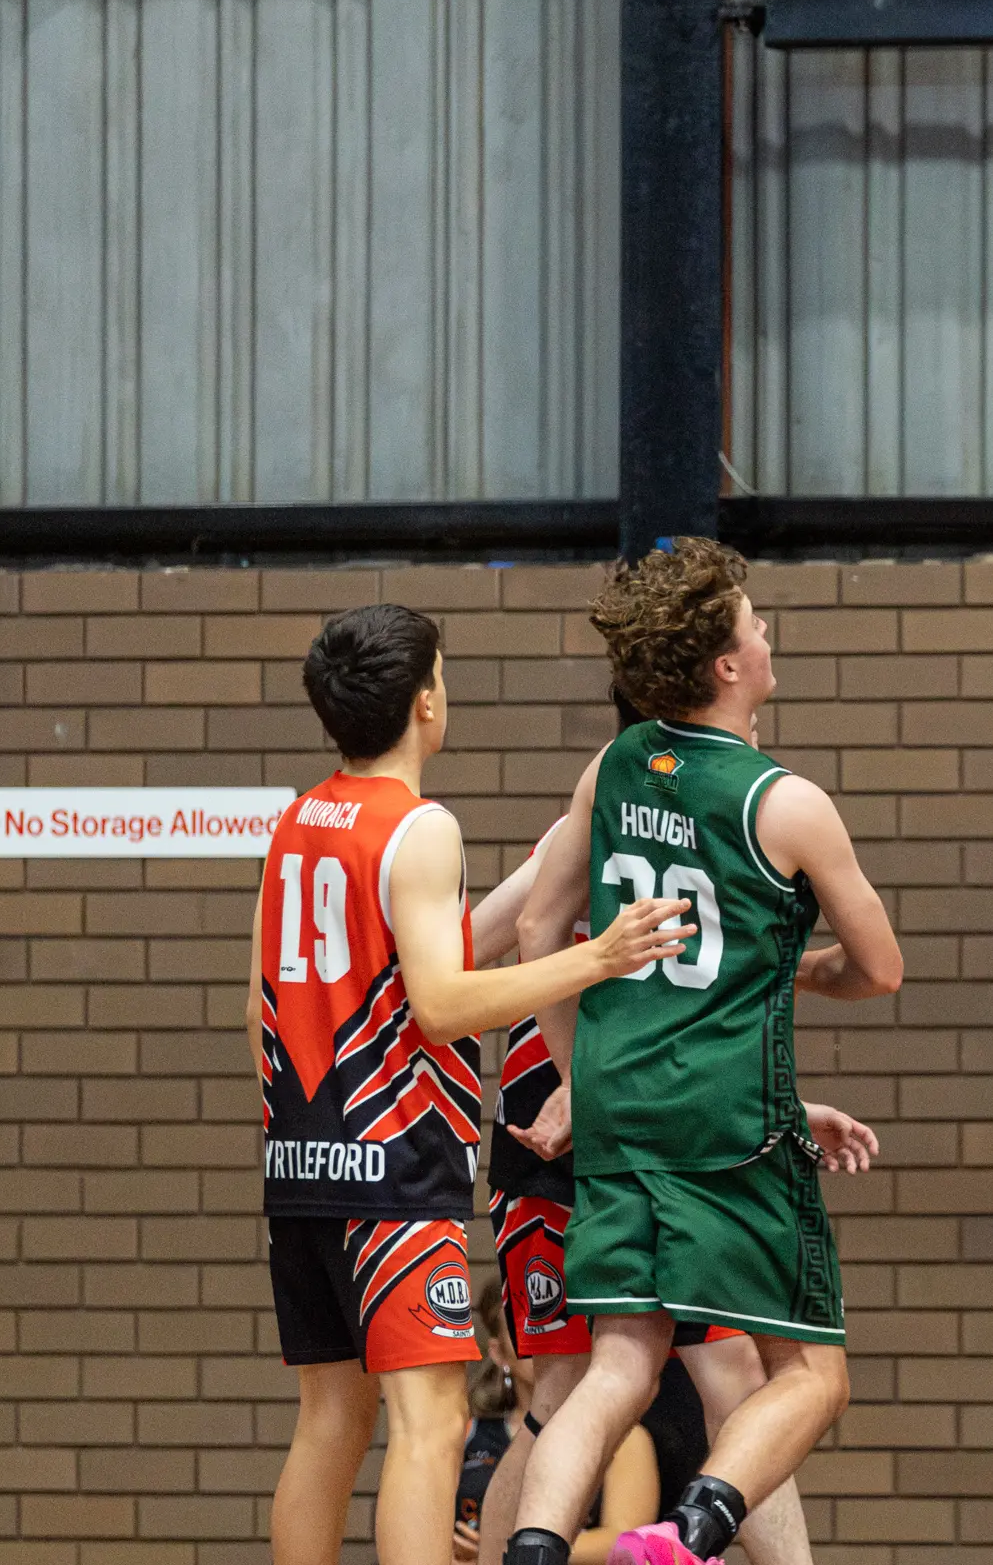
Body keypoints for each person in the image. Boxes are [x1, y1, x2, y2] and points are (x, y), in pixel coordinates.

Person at [260, 604, 694, 1565]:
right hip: (393, 1169)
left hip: (300, 1158)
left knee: (329, 1420)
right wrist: (599, 959)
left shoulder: (295, 823)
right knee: (433, 1425)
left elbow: (299, 994)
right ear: (425, 703)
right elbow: (444, 1004)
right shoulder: (419, 827)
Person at [504, 541, 907, 1565]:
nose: (767, 636)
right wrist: (805, 974)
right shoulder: (788, 805)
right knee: (813, 1378)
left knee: (619, 1369)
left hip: (621, 1115)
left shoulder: (614, 766)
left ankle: (533, 1553)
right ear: (728, 666)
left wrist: (577, 1071)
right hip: (731, 1127)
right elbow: (881, 969)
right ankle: (690, 1533)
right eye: (755, 624)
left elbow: (536, 932)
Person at [477, 819, 876, 1565]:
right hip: (565, 1128)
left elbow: (707, 1013)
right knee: (570, 1386)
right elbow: (472, 952)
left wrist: (782, 1111)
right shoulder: (590, 827)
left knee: (735, 1378)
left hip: (669, 1127)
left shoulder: (710, 823)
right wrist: (574, 1063)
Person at [458, 1277, 659, 1565]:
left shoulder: (627, 1437)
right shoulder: (469, 1431)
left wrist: (507, 1546)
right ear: (499, 1352)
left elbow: (626, 1537)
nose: (542, 1344)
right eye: (528, 1333)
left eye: (553, 1326)